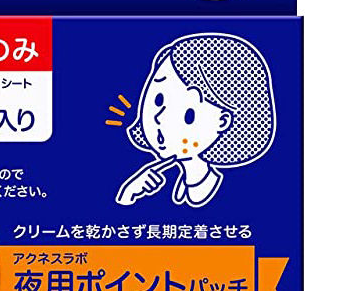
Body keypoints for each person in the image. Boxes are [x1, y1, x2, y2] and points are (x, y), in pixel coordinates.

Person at [116, 33, 276, 208]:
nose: (159, 118)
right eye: (158, 100)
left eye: (188, 115)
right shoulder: (167, 182)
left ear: (223, 122)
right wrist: (127, 194)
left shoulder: (233, 192)